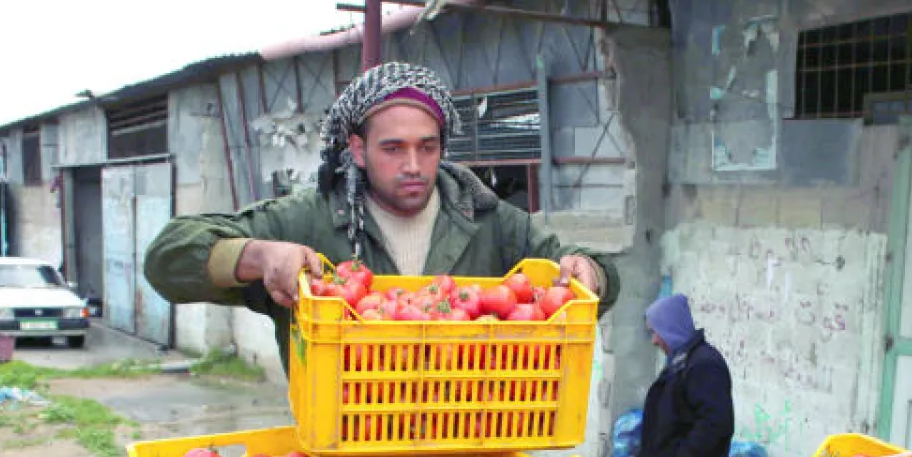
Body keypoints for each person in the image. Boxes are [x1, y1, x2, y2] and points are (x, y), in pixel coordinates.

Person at [144, 61, 617, 370]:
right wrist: (258, 255)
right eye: (393, 148)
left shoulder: (492, 221)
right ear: (359, 150)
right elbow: (167, 260)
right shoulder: (307, 221)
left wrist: (589, 271)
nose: (413, 165)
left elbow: (596, 277)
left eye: (427, 147)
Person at [634, 293, 734, 457]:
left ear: (671, 329)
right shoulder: (680, 361)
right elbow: (666, 420)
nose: (654, 340)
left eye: (656, 332)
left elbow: (714, 423)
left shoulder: (705, 364)